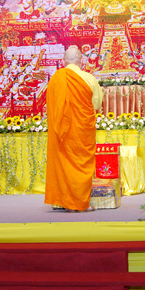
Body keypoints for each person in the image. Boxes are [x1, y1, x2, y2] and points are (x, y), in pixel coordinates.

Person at [44, 46, 102, 212]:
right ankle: (78, 201)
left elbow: (52, 106)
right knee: (80, 164)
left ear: (63, 61)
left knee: (63, 163)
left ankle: (62, 201)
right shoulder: (89, 79)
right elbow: (96, 104)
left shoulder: (55, 79)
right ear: (82, 61)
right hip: (81, 130)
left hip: (61, 131)